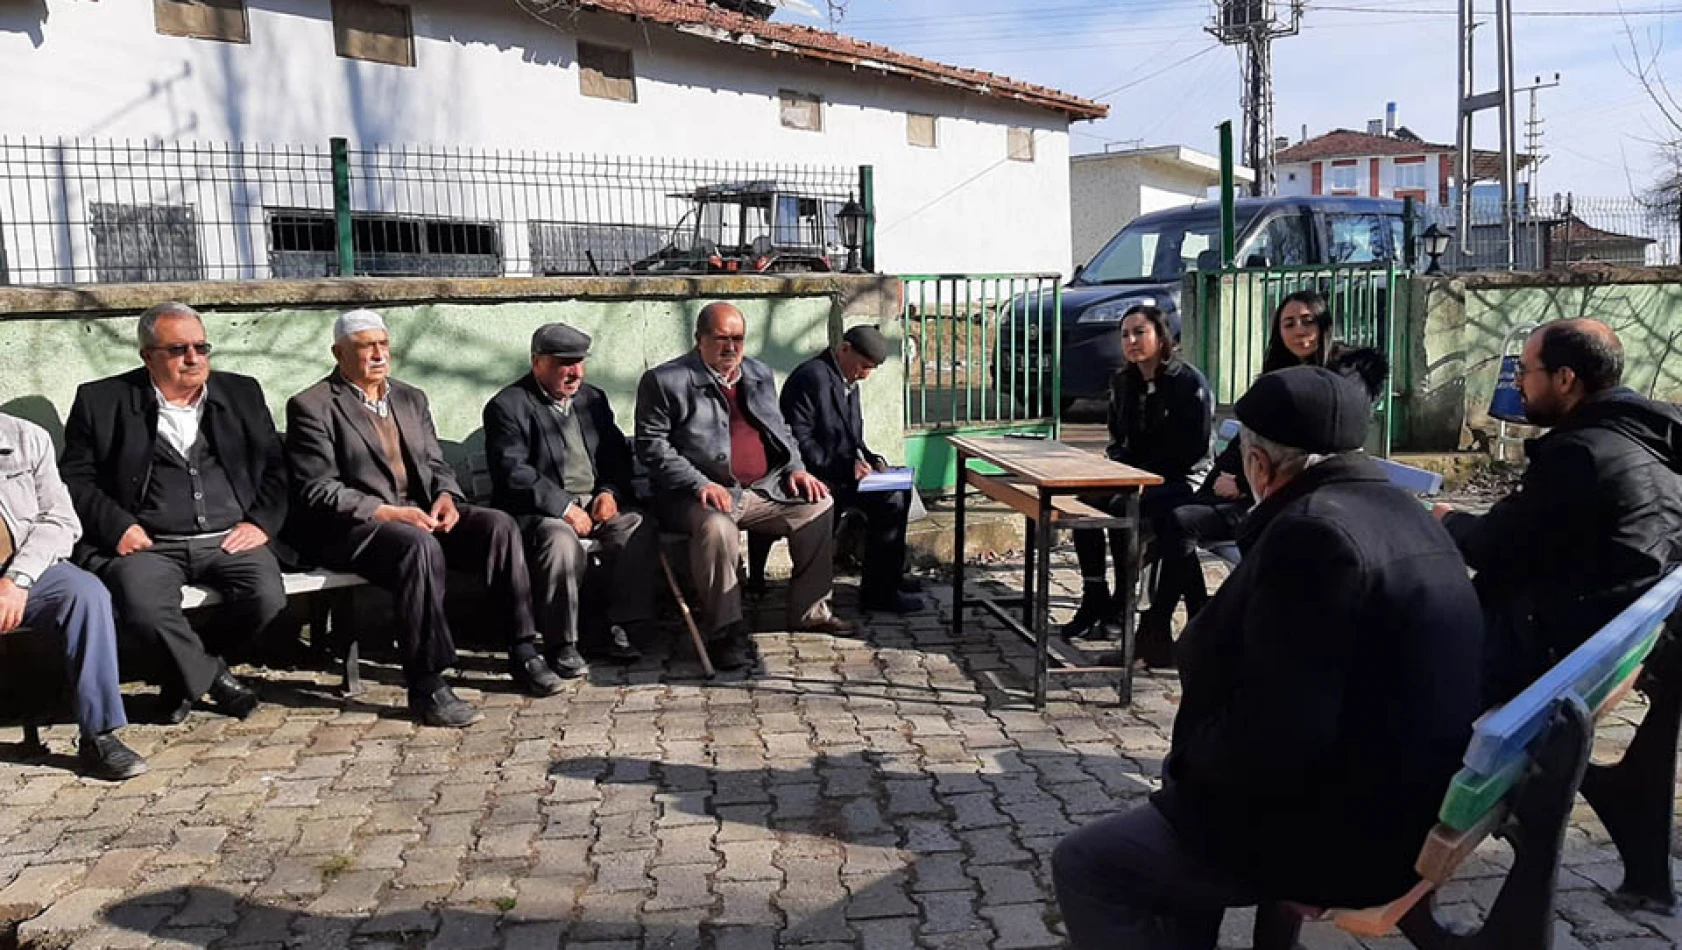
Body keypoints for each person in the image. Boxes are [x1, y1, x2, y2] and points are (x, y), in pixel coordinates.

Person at [1052, 366, 1485, 949]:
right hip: (1404, 798)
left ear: (1258, 465)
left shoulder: (1314, 537)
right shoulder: (1405, 512)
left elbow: (1279, 730)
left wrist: (1186, 785)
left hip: (1347, 835)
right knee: (1171, 834)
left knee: (1087, 865)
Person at [285, 310, 556, 728]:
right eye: (364, 347)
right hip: (357, 528)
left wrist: (447, 496)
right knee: (417, 546)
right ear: (338, 352)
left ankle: (522, 649)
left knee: (497, 526)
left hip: (419, 515)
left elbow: (435, 462)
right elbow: (319, 488)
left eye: (383, 344)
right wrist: (388, 511)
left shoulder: (410, 398)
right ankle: (427, 683)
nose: (377, 354)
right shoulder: (313, 406)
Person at [60, 302, 287, 724]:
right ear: (148, 356)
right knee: (144, 608)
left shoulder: (241, 393)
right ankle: (211, 677)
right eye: (179, 349)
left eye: (201, 347)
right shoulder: (102, 401)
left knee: (266, 596)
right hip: (148, 545)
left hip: (228, 540)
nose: (193, 358)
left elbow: (277, 466)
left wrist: (260, 523)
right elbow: (75, 479)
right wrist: (118, 526)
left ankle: (184, 673)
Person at [1435, 318, 1682, 703]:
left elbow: (1493, 547)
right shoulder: (1653, 440)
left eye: (1524, 370)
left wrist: (1446, 520)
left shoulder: (1580, 454)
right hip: (1611, 640)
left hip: (1553, 651)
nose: (1518, 383)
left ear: (1564, 379)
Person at [1148, 292, 1386, 639]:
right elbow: (1249, 433)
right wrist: (1227, 476)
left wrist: (1242, 484)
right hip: (1256, 490)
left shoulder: (1342, 378)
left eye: (1307, 320)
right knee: (1170, 518)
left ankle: (1194, 625)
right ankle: (1163, 630)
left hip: (1299, 500)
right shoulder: (1279, 375)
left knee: (1178, 524)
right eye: (1288, 323)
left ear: (1323, 325)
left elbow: (1312, 448)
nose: (1298, 330)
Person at [634, 301, 853, 672]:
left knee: (818, 505)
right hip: (693, 496)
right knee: (718, 528)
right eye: (721, 339)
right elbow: (651, 446)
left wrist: (796, 469)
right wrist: (699, 482)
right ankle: (725, 631)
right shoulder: (665, 381)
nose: (731, 348)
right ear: (699, 339)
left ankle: (809, 611)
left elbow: (780, 429)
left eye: (738, 339)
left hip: (763, 490)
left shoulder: (757, 373)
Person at [482, 322, 655, 670]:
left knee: (636, 528)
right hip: (541, 512)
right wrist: (563, 507)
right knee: (559, 541)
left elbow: (616, 455)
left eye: (579, 362)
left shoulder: (592, 400)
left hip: (594, 505)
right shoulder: (508, 406)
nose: (574, 372)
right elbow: (514, 471)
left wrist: (609, 492)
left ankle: (616, 626)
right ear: (537, 362)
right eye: (564, 362)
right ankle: (563, 642)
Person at [1063, 304, 1212, 669]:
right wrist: (1119, 468)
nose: (1131, 341)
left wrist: (1143, 478)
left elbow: (1192, 448)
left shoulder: (1187, 382)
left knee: (1125, 510)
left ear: (1161, 337)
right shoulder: (1122, 382)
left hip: (1182, 479)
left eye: (1139, 332)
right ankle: (1095, 593)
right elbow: (1118, 440)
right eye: (1125, 334)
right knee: (1085, 503)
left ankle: (1125, 602)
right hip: (1135, 477)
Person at [0, 412, 147, 780]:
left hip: (25, 568)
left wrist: (17, 579)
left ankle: (99, 735)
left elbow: (61, 520)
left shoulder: (25, 437)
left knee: (85, 593)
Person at [780, 324, 922, 615]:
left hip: (844, 473)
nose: (865, 374)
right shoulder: (812, 378)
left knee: (899, 488)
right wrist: (845, 467)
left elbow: (853, 437)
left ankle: (888, 577)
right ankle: (878, 595)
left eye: (871, 369)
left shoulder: (848, 383)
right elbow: (799, 439)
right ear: (844, 349)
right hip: (817, 476)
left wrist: (872, 458)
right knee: (890, 499)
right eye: (863, 366)